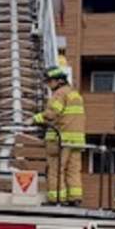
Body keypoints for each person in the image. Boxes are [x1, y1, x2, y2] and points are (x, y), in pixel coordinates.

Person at [32, 66, 86, 206]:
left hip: (59, 140)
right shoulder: (75, 94)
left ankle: (56, 199)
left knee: (56, 170)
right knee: (73, 170)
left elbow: (52, 113)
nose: (48, 85)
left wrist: (35, 119)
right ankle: (75, 199)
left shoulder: (59, 94)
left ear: (58, 81)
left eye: (49, 82)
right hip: (76, 141)